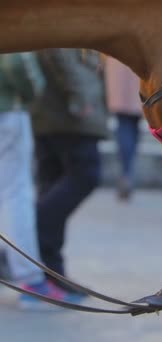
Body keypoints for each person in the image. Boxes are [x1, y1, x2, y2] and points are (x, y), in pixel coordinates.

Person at [0, 53, 79, 309]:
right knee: (15, 196)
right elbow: (15, 59)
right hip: (6, 110)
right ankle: (31, 283)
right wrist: (33, 90)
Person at [31, 49, 109, 294]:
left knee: (51, 183)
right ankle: (24, 243)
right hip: (70, 115)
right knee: (85, 175)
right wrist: (80, 98)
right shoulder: (61, 13)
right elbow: (57, 49)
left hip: (50, 113)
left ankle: (49, 270)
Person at [104, 57, 143, 201]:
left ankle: (126, 173)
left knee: (124, 123)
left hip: (118, 63)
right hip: (139, 65)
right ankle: (128, 173)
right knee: (133, 122)